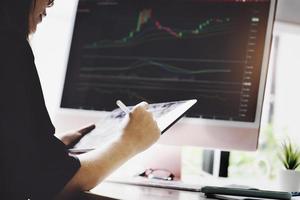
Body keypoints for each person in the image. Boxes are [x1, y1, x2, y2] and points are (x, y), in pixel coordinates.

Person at [0, 0, 161, 199]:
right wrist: (130, 142)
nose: (51, 4)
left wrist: (37, 147)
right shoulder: (9, 47)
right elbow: (52, 184)